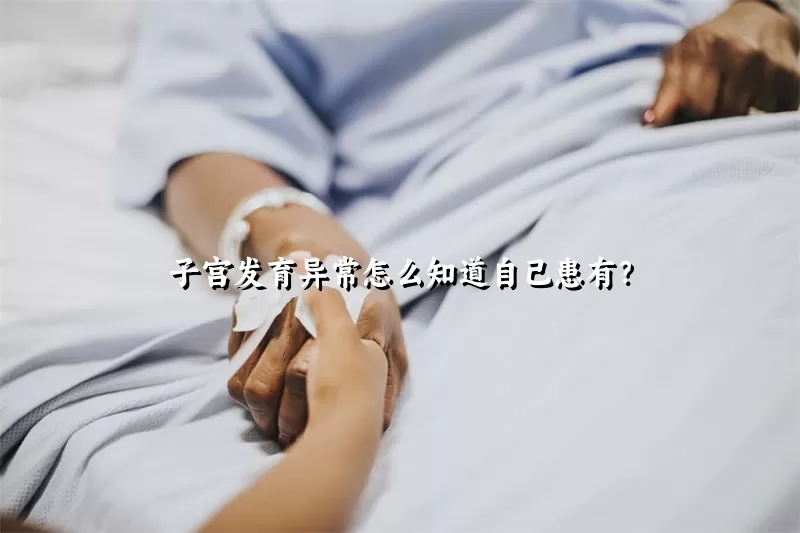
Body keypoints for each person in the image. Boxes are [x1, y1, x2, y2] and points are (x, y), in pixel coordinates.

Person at [116, 0, 799, 448]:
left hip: (733, 131)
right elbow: (205, 141)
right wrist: (303, 247)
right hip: (493, 190)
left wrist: (759, 13)